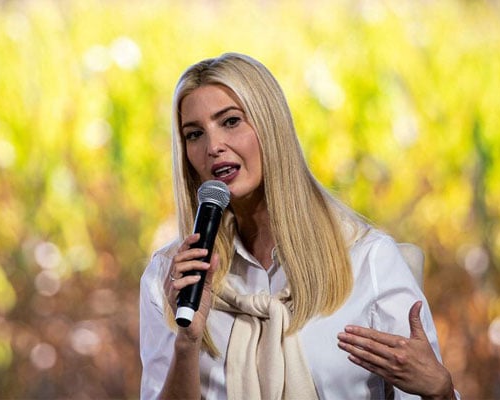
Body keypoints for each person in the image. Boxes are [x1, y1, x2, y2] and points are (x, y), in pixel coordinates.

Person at [139, 52, 457, 399]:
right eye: (195, 134)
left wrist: (439, 392)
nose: (214, 146)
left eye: (230, 121)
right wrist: (187, 342)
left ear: (271, 125)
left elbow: (427, 388)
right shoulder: (172, 280)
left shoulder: (367, 261)